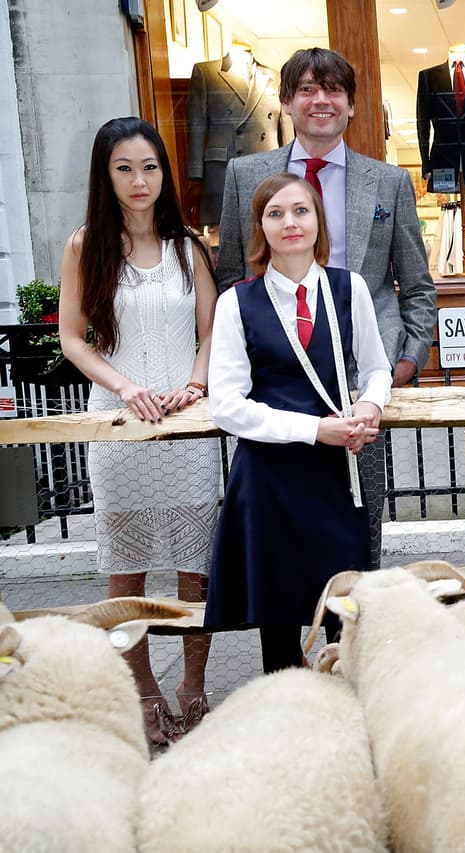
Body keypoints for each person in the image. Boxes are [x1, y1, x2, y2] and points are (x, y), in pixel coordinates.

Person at [215, 47, 436, 569]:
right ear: (287, 101)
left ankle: (352, 638)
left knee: (360, 522)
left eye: (333, 90)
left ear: (352, 105)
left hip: (362, 384)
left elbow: (418, 285)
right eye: (308, 90)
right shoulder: (247, 175)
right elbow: (231, 271)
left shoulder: (388, 181)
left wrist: (406, 358)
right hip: (276, 381)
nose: (321, 101)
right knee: (279, 531)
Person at [58, 116, 219, 746]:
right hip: (122, 427)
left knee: (196, 572)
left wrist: (197, 385)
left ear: (164, 172)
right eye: (124, 168)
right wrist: (125, 386)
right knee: (128, 574)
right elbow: (73, 339)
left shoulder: (187, 246)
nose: (139, 180)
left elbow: (212, 331)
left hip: (187, 427)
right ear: (106, 175)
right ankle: (144, 694)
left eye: (149, 166)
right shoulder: (85, 246)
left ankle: (194, 688)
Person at [206, 173, 391, 674]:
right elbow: (225, 404)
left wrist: (371, 405)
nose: (290, 222)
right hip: (269, 480)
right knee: (279, 629)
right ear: (260, 228)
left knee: (341, 614)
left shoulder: (348, 288)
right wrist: (315, 430)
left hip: (333, 480)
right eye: (275, 213)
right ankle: (289, 724)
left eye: (301, 211)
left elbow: (376, 367)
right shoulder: (236, 303)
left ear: (318, 220)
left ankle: (346, 720)